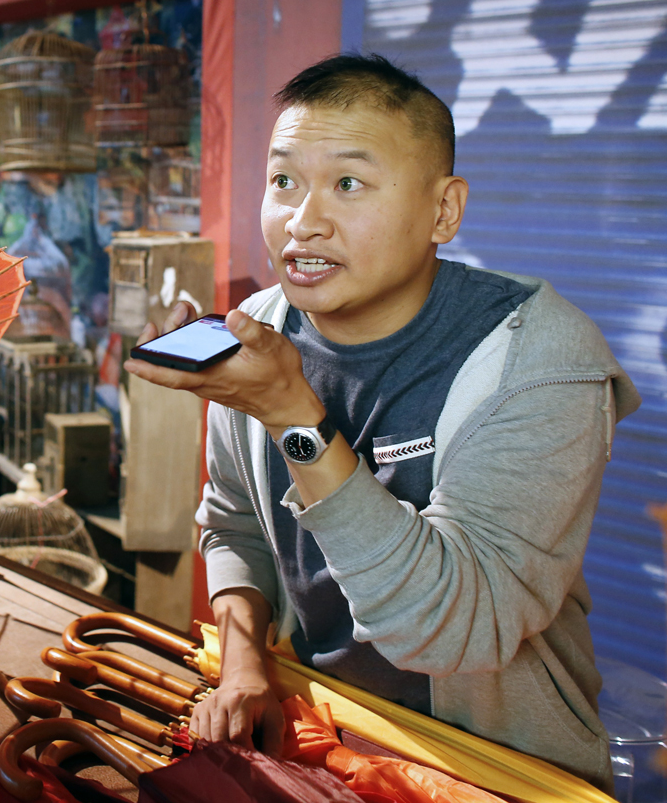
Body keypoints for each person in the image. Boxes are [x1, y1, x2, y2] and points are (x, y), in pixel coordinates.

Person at [126, 54, 639, 789]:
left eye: (348, 183)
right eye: (283, 181)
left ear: (444, 210)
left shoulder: (541, 359)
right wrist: (245, 667)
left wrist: (292, 416)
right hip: (330, 726)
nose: (303, 219)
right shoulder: (262, 332)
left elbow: (455, 629)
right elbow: (235, 523)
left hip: (490, 764)